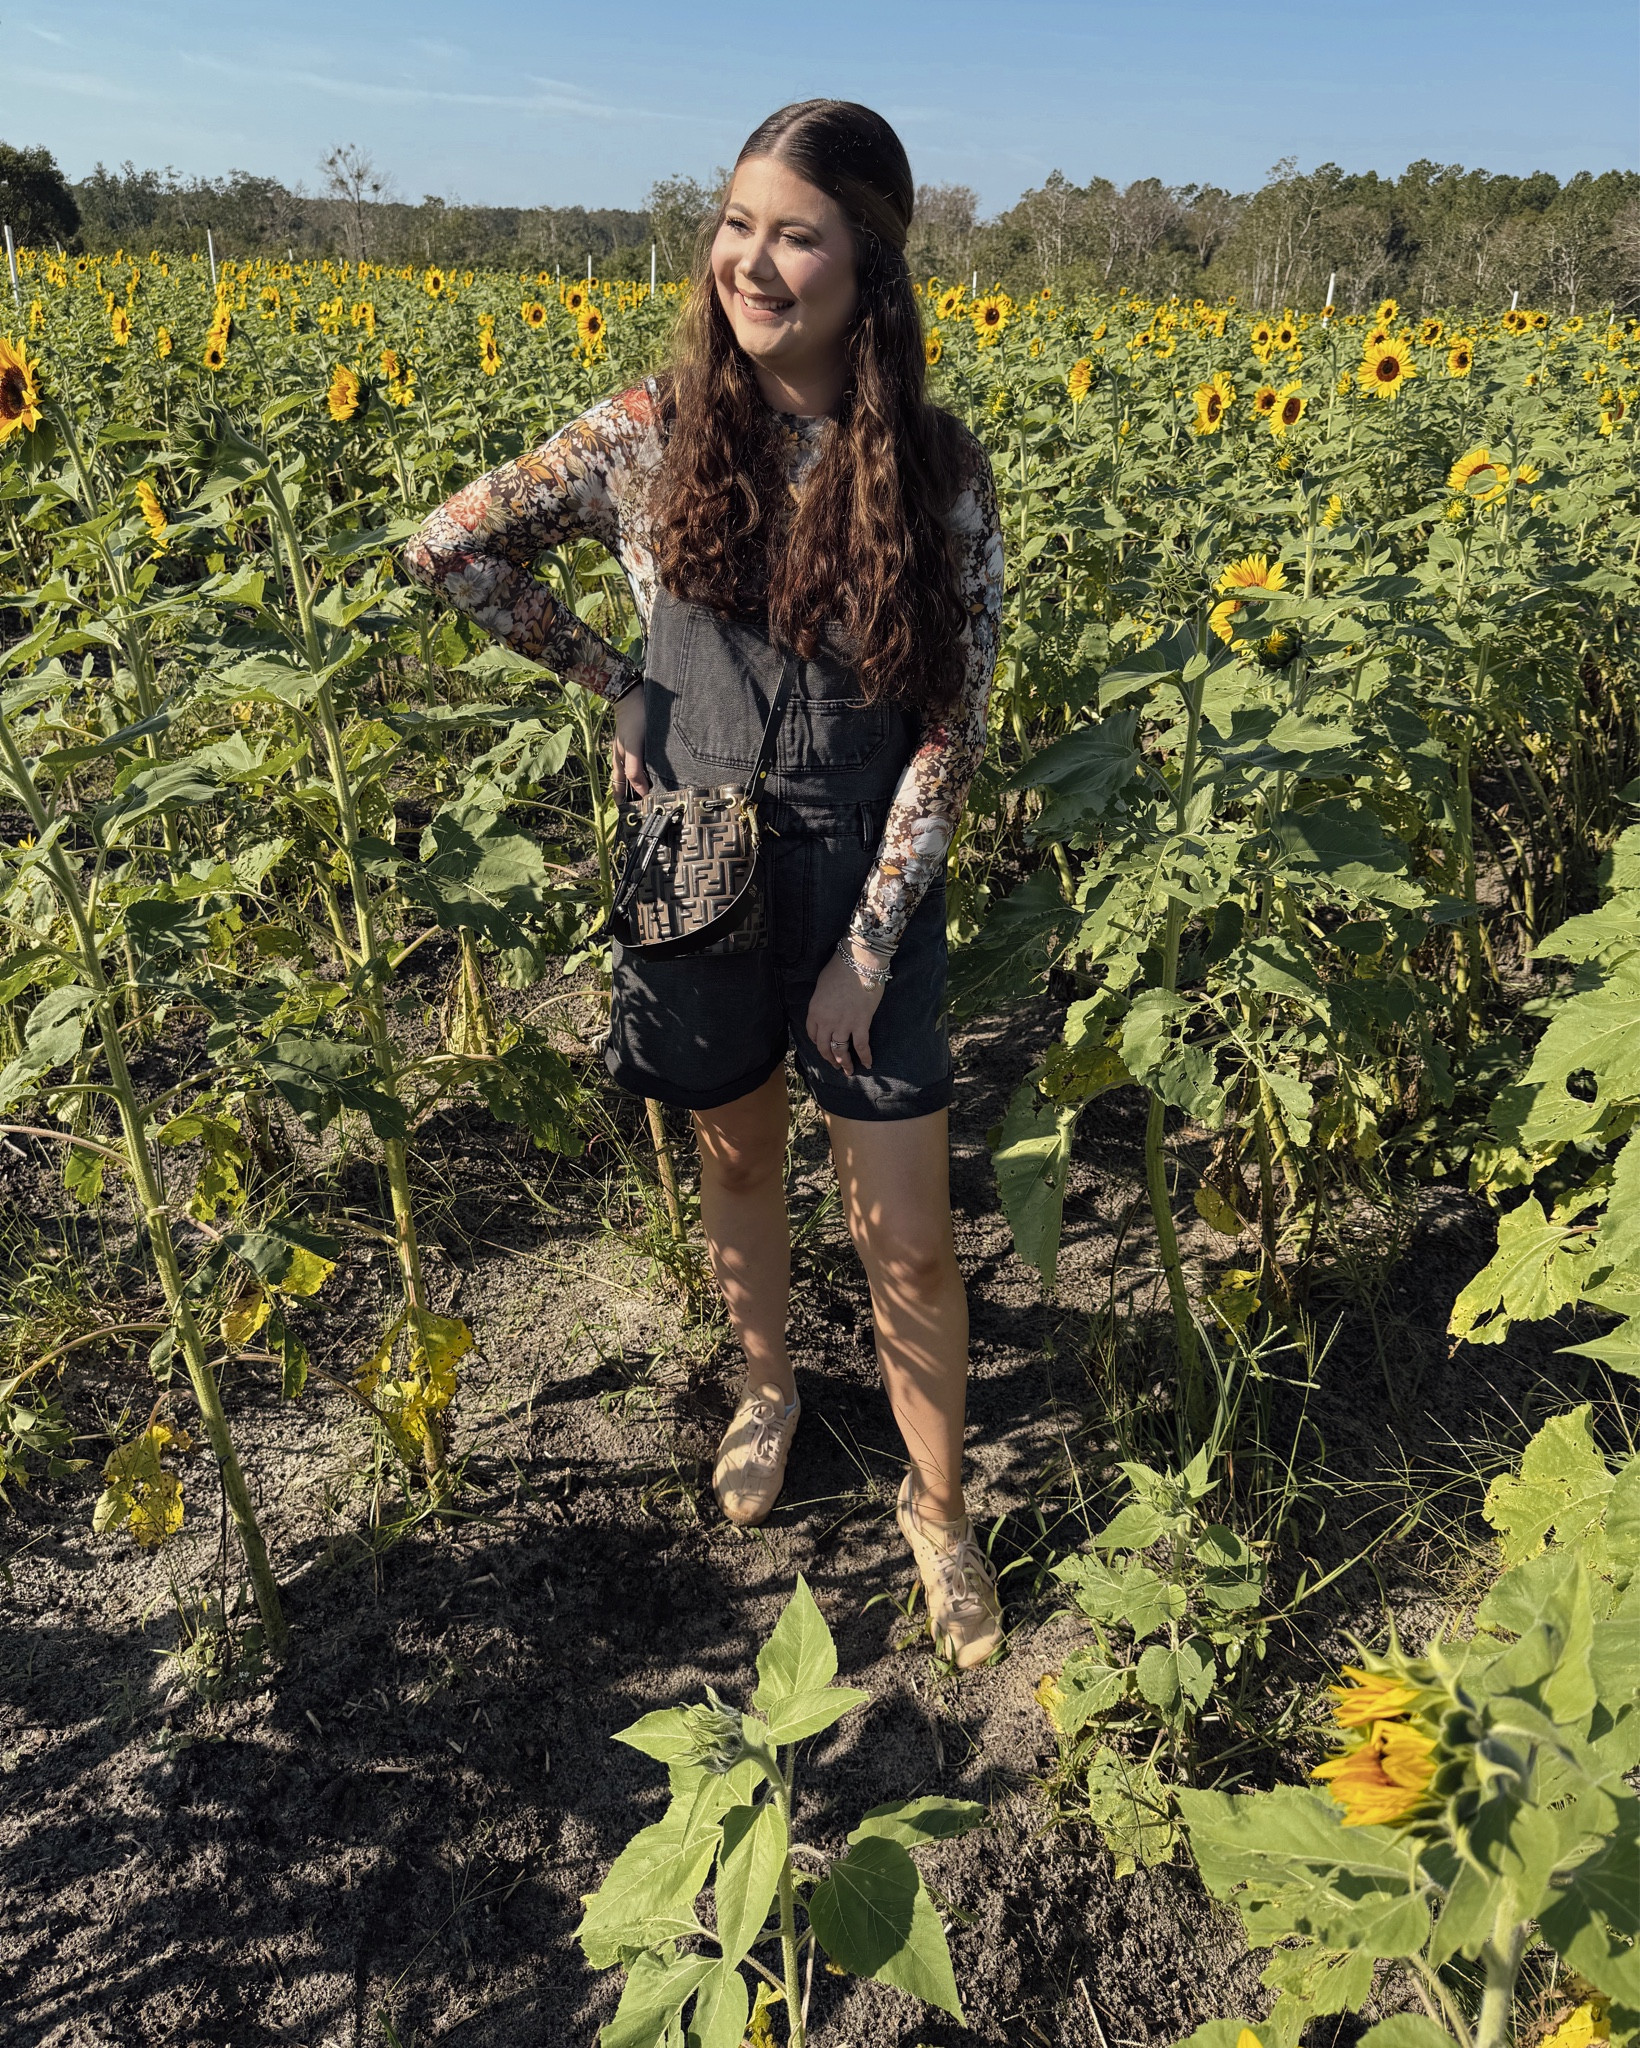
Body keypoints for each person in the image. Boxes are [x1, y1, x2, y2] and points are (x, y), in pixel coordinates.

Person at [405, 100, 1005, 1667]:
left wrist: (867, 953)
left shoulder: (938, 470)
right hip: (696, 862)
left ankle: (938, 1508)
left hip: (869, 878)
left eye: (796, 232)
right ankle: (768, 1390)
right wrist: (620, 687)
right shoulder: (646, 429)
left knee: (913, 1236)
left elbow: (952, 725)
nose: (753, 259)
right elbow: (450, 547)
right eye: (736, 224)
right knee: (739, 1165)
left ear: (869, 267)